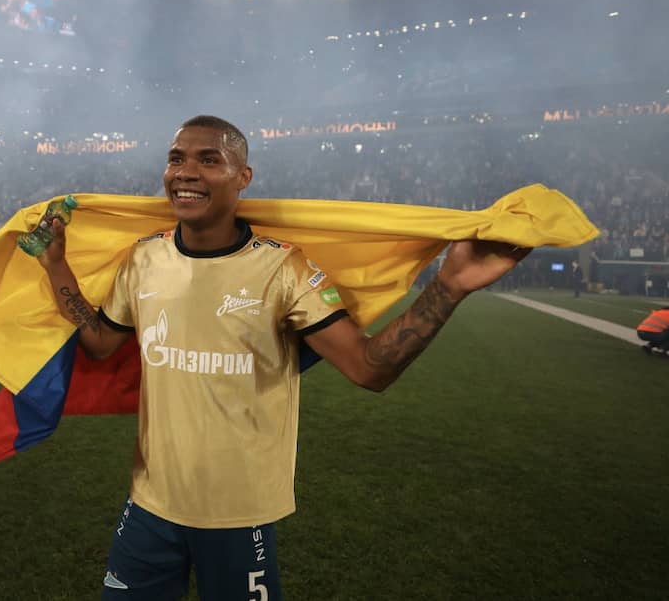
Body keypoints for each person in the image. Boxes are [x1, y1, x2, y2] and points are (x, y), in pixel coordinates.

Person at [35, 115, 530, 601]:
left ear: (243, 177)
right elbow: (100, 343)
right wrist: (55, 264)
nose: (186, 172)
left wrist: (448, 286)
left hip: (238, 513)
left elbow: (368, 368)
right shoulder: (144, 258)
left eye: (209, 160)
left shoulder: (283, 269)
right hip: (149, 505)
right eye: (176, 159)